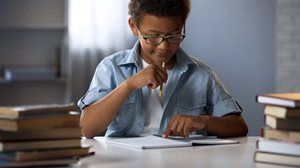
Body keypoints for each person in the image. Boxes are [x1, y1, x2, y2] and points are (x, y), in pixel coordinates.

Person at [78, 0, 248, 139]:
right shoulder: (111, 68)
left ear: (183, 25)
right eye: (153, 37)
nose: (163, 46)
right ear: (133, 26)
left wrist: (203, 121)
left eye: (174, 36)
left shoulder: (200, 74)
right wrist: (129, 85)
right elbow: (86, 129)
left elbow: (239, 127)